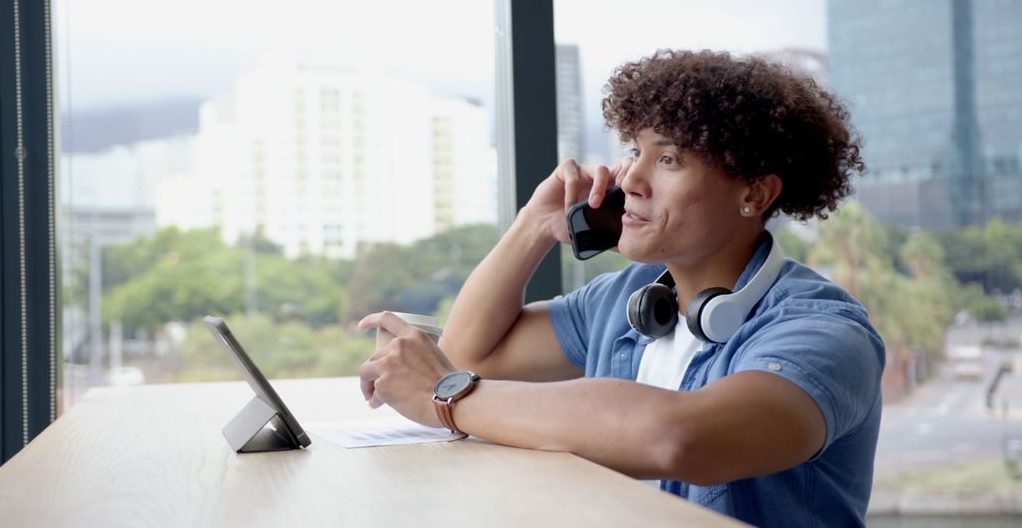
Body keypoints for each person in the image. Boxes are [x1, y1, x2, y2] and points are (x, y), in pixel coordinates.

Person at [358, 49, 884, 526]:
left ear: (754, 192)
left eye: (670, 158)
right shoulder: (624, 298)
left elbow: (682, 439)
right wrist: (533, 225)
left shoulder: (823, 333)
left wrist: (449, 401)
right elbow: (470, 357)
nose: (630, 178)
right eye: (635, 150)